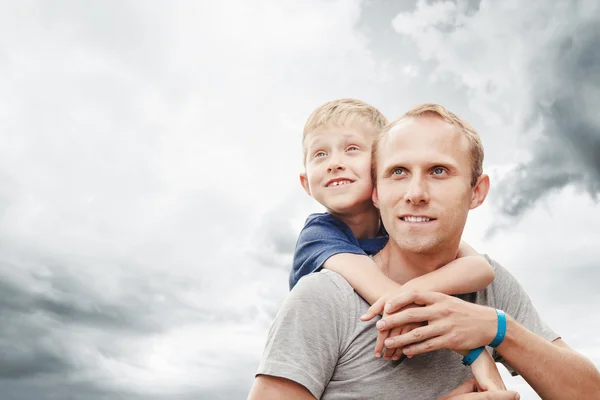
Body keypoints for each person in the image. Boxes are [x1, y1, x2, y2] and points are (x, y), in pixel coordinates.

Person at [249, 103, 600, 399]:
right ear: (377, 190)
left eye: (439, 171)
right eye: (398, 172)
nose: (415, 192)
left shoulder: (492, 290)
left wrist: (498, 329)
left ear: (476, 192)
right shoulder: (324, 296)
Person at [288, 98, 503, 390]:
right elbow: (391, 300)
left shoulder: (402, 225)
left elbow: (480, 269)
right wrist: (477, 353)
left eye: (351, 149)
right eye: (320, 154)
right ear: (305, 182)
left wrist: (416, 290)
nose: (334, 163)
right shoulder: (320, 234)